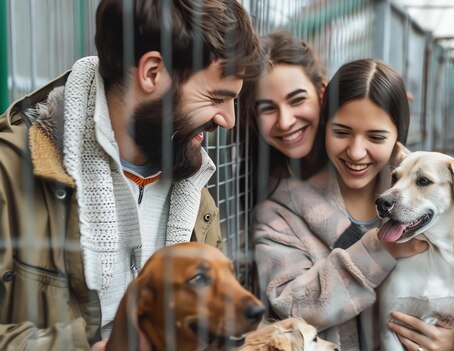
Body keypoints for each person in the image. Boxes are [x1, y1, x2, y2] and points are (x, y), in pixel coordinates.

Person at [0, 0, 262, 349]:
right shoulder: (10, 174)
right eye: (216, 97)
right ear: (153, 72)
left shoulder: (195, 193)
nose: (227, 119)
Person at [253, 59, 454, 351]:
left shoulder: (433, 199)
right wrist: (377, 251)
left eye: (376, 137)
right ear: (324, 125)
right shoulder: (280, 213)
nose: (356, 152)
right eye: (341, 132)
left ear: (398, 136)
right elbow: (290, 306)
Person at [240, 30, 327, 203]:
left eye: (297, 100)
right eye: (267, 109)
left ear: (322, 93)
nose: (285, 122)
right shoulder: (259, 178)